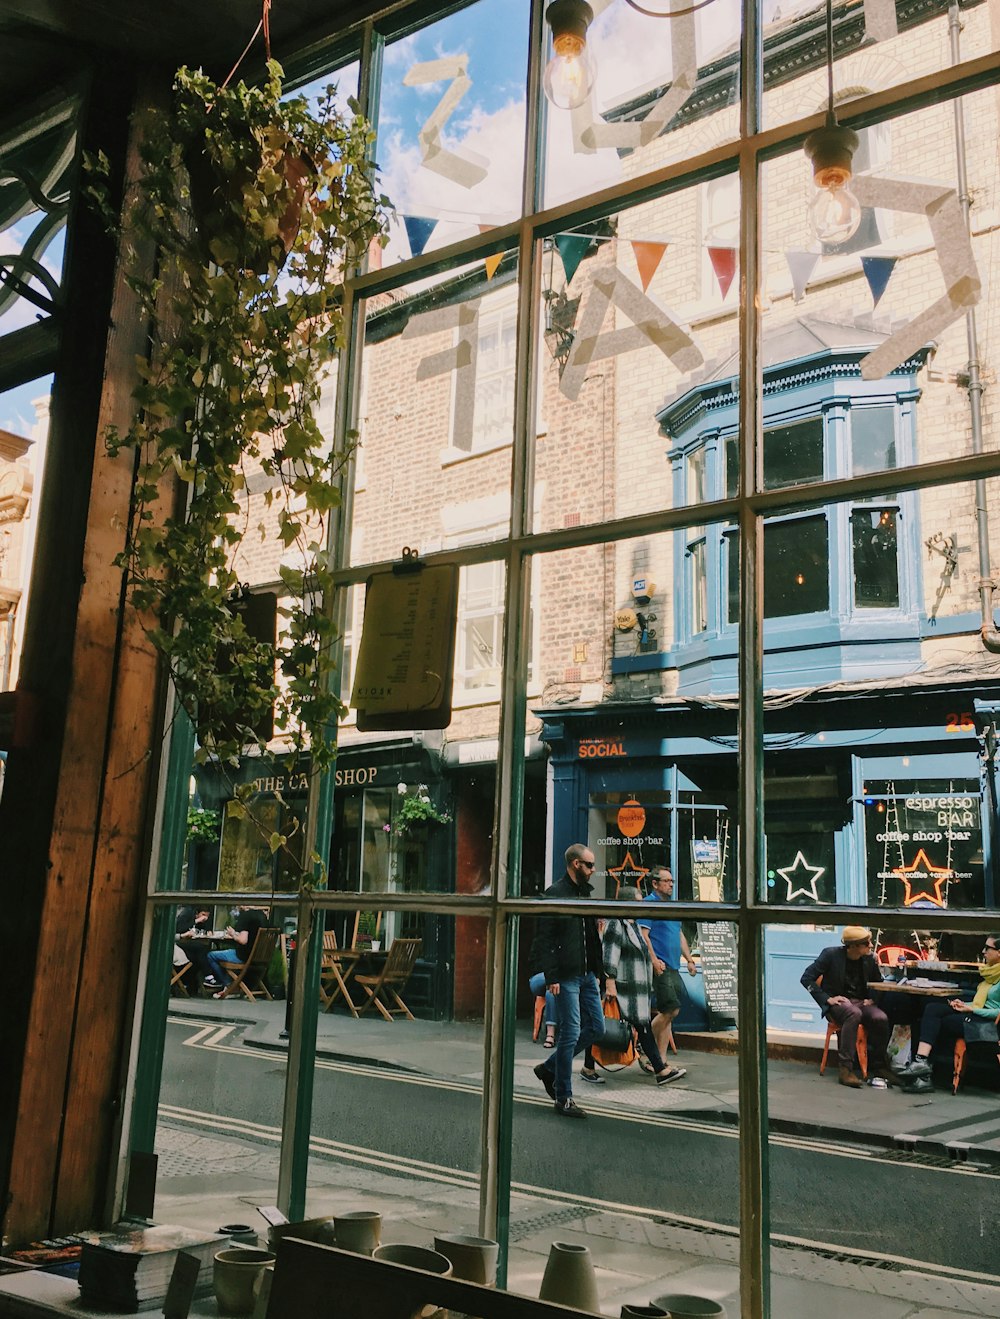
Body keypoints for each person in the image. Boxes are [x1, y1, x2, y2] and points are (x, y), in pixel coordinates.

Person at [529, 843, 605, 1119]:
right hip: (565, 977)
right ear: (575, 864)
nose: (593, 870)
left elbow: (591, 938)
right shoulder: (555, 894)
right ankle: (564, 1097)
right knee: (571, 1032)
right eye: (589, 865)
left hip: (587, 975)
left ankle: (548, 1068)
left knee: (597, 1028)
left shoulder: (585, 894)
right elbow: (545, 938)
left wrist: (600, 972)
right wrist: (552, 977)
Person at [602, 886, 687, 1085]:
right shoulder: (616, 924)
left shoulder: (632, 924)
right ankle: (661, 1069)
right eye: (639, 902)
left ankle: (588, 1067)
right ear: (628, 903)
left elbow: (640, 952)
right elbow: (610, 955)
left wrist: (654, 963)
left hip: (637, 988)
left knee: (632, 1028)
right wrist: (610, 982)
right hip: (624, 987)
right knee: (615, 1027)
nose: (643, 905)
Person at [893, 933, 1000, 1089]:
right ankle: (921, 1063)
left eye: (987, 948)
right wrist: (963, 1004)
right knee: (933, 1008)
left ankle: (923, 1074)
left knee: (933, 1022)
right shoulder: (990, 973)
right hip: (974, 1015)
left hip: (986, 1024)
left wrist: (972, 1009)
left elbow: (996, 1011)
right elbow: (979, 1003)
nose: (983, 951)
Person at [800, 926, 896, 1088]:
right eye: (866, 943)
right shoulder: (830, 955)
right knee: (853, 1013)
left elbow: (878, 983)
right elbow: (806, 978)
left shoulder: (869, 959)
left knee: (880, 1017)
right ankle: (845, 1069)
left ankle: (879, 1067)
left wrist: (873, 999)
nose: (870, 946)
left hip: (862, 1002)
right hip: (839, 1004)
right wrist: (827, 999)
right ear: (853, 946)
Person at [637, 866, 697, 1062]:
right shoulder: (649, 904)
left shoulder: (672, 906)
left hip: (673, 966)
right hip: (659, 966)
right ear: (655, 884)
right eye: (666, 881)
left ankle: (660, 1060)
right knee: (672, 1009)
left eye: (672, 881)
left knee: (667, 1014)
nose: (671, 884)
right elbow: (644, 936)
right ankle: (641, 1042)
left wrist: (689, 960)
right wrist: (654, 960)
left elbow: (679, 935)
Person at [206, 905, 271, 997]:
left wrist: (233, 934)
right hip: (258, 957)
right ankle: (233, 986)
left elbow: (243, 940)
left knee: (211, 955)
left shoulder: (246, 916)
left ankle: (229, 986)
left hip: (243, 957)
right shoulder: (262, 916)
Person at [528, 971, 557, 1048]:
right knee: (537, 983)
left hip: (570, 976)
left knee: (550, 992)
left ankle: (550, 1034)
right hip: (545, 975)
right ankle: (550, 1033)